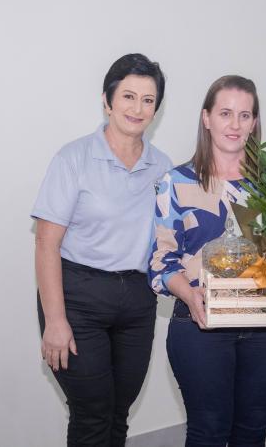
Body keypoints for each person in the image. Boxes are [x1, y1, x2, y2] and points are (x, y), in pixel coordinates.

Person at [149, 75, 266, 447]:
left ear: (254, 123)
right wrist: (190, 296)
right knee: (208, 432)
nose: (235, 124)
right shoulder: (175, 183)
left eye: (244, 115)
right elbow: (161, 263)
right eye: (225, 113)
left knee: (252, 431)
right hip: (201, 326)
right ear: (206, 118)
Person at [31, 53, 172, 447]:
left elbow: (171, 239)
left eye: (148, 100)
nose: (138, 108)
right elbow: (46, 243)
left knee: (118, 412)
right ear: (107, 101)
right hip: (78, 299)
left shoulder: (162, 167)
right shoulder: (73, 158)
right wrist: (55, 321)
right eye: (128, 96)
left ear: (156, 109)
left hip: (137, 302)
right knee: (92, 414)